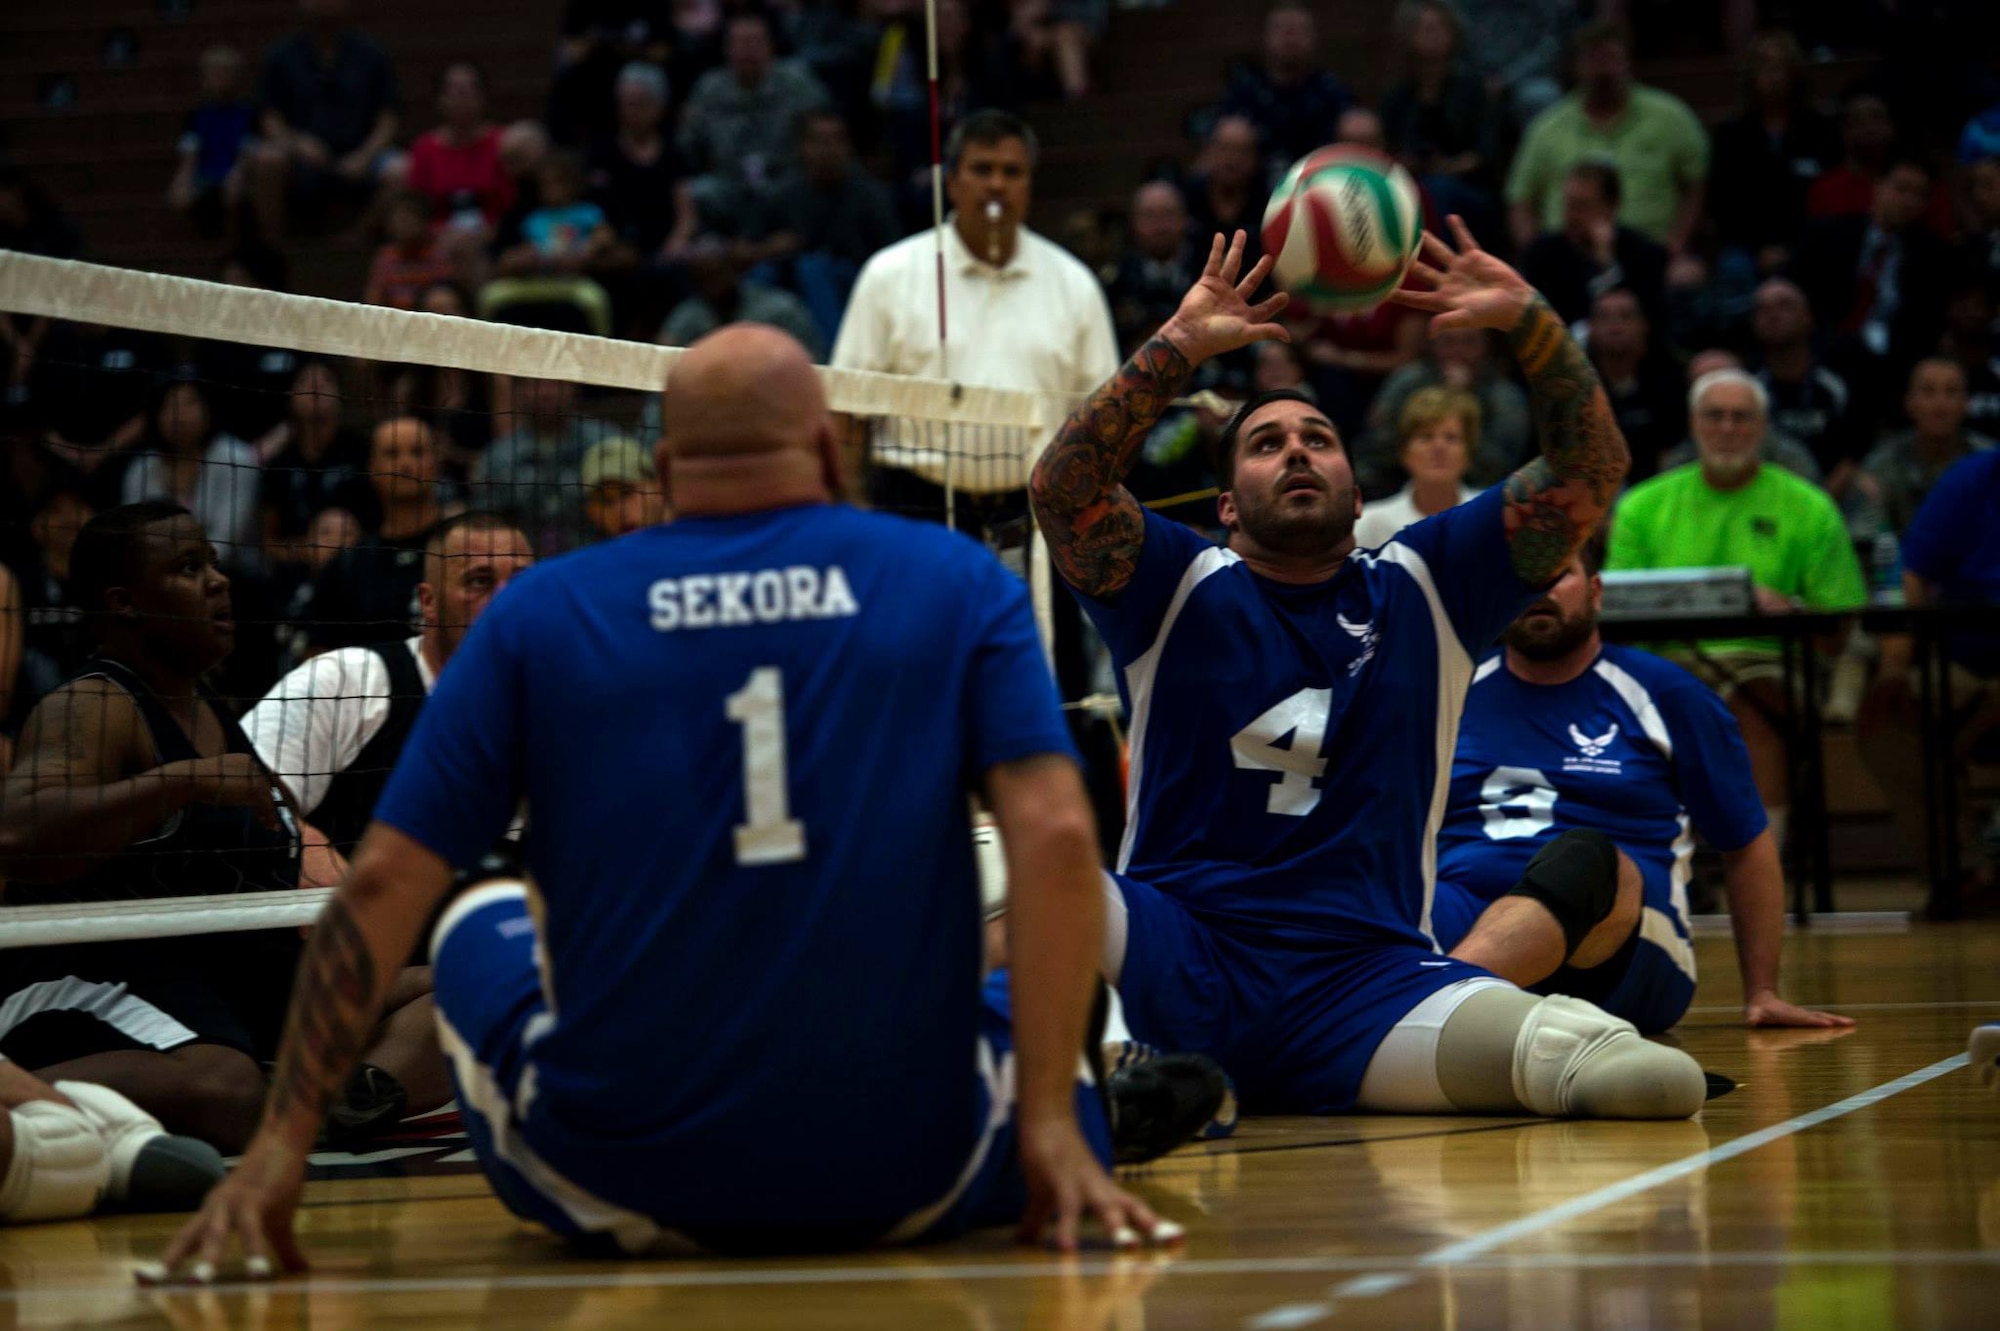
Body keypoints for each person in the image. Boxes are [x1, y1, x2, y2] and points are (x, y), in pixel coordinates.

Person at [147, 325, 1185, 1279]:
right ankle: (1083, 1095)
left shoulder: (540, 614)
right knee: (1017, 968)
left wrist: (275, 1150)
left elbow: (375, 884)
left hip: (623, 1186)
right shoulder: (950, 576)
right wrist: (1045, 1125)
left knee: (478, 921)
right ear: (829, 452)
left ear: (659, 475)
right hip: (919, 1173)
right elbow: (1055, 835)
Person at [1027, 223, 1707, 1122]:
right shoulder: (1173, 583)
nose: (1298, 450)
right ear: (1226, 502)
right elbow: (1061, 490)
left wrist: (1533, 324)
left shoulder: (1428, 582)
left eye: (1319, 438)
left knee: (1652, 1081)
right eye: (1267, 443)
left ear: (1356, 487)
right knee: (994, 860)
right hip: (1178, 946)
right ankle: (1108, 1061)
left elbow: (1590, 472)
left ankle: (1158, 1083)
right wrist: (1179, 346)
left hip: (1366, 984)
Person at [0, 505, 429, 1155]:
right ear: (126, 603)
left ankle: (329, 1102)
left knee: (466, 983)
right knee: (226, 1090)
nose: (219, 580)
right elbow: (18, 835)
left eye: (214, 562)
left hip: (227, 986)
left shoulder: (208, 709)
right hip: (89, 977)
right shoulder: (92, 703)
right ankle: (16, 1097)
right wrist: (179, 782)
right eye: (187, 567)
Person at [1432, 539, 1854, 1033]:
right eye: (1524, 581)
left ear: (1595, 592)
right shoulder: (1450, 694)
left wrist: (1761, 990)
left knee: (1586, 857)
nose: (1540, 593)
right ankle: (1429, 1005)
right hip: (1468, 912)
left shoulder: (1667, 694)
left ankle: (1436, 1008)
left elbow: (1746, 844)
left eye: (1559, 576)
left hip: (1617, 940)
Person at [241, 514, 536, 1139]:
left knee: (514, 974)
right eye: (479, 581)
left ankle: (344, 1102)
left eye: (521, 580)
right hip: (315, 971)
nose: (506, 601)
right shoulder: (351, 680)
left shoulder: (559, 721)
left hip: (434, 994)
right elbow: (236, 799)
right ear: (428, 602)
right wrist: (304, 843)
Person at [1607, 368, 1869, 844]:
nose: (1727, 429)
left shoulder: (1809, 506)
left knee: (1752, 701)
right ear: (1693, 425)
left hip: (1772, 662)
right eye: (1715, 416)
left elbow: (1837, 629)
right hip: (1663, 664)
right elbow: (1617, 615)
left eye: (1741, 418)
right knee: (1663, 704)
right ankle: (1668, 868)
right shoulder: (1641, 506)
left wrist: (1791, 609)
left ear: (1763, 428)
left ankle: (1759, 864)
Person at [833, 110, 1117, 518]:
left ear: (1028, 186)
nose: (997, 184)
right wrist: (853, 509)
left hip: (1039, 513)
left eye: (1012, 171)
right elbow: (846, 407)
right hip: (915, 506)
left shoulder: (1075, 284)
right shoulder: (889, 274)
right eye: (982, 169)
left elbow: (1103, 421)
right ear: (951, 182)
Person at [1859, 448, 2000, 914]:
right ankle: (1964, 873)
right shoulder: (1977, 477)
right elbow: (1912, 571)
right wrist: (1897, 663)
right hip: (1967, 661)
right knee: (1888, 721)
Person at [1506, 22, 1708, 254]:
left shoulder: (1671, 117)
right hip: (1569, 261)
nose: (1603, 69)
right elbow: (1520, 199)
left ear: (1627, 62)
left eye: (1610, 58)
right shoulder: (1547, 127)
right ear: (1575, 67)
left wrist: (1677, 245)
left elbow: (1697, 184)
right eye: (1593, 59)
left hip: (1651, 256)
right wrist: (1535, 258)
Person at [244, 0, 400, 238]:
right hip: (301, 157)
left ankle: (356, 239)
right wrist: (297, 144)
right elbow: (269, 117)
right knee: (267, 159)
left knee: (401, 170)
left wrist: (365, 155)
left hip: (359, 155)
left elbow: (388, 118)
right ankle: (274, 249)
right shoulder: (281, 55)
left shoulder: (371, 53)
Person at [1794, 153, 1954, 380]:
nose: (1908, 201)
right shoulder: (1828, 234)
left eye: (1919, 195)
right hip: (1825, 347)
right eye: (1901, 189)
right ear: (1878, 186)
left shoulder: (1932, 255)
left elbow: (1925, 324)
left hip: (1895, 361)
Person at [677, 12, 833, 230]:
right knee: (696, 192)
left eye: (755, 42)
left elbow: (826, 126)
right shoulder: (709, 89)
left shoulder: (797, 83)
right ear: (726, 48)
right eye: (739, 42)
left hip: (786, 181)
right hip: (729, 182)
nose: (747, 50)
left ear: (770, 47)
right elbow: (687, 146)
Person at [305, 417, 448, 653]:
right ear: (372, 468)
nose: (405, 464)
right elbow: (318, 656)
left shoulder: (465, 549)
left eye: (417, 452)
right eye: (392, 454)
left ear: (437, 464)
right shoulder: (346, 566)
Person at [1705, 30, 1838, 280]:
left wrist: (1793, 248)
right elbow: (1723, 205)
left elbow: (1829, 196)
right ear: (1751, 76)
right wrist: (1759, 248)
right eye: (1764, 67)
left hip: (1808, 242)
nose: (1773, 76)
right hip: (1747, 247)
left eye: (1780, 67)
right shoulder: (1732, 136)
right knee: (1734, 270)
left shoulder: (1821, 131)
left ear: (1795, 73)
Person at [1358, 327, 1532, 495]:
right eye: (1448, 342)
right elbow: (1376, 441)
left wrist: (1462, 398)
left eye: (1469, 342)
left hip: (1479, 486)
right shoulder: (1407, 380)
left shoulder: (1504, 395)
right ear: (1433, 345)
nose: (1458, 351)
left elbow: (1501, 462)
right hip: (1398, 479)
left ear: (1486, 347)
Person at [119, 378, 262, 573]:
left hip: (231, 574)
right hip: (157, 576)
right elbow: (131, 536)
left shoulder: (236, 458)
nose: (178, 415)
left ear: (208, 409)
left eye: (189, 403)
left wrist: (183, 571)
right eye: (169, 405)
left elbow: (226, 540)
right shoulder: (141, 468)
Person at [1854, 358, 1996, 539]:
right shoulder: (1883, 465)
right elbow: (1865, 538)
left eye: (1951, 392)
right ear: (1909, 403)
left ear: (1966, 404)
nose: (1940, 405)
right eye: (1928, 392)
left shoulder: (1991, 463)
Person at [1517, 162, 1668, 330]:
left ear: (1611, 207)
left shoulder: (1643, 254)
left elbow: (1640, 322)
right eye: (1568, 205)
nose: (1571, 216)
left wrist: (1606, 262)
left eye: (1581, 206)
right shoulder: (1542, 255)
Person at [1215, 3, 1353, 183]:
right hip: (1255, 192)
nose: (1290, 38)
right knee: (1231, 133)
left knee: (1357, 126)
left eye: (1298, 30)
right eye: (1281, 30)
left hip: (1323, 186)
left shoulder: (1331, 90)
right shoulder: (1245, 92)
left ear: (1314, 38)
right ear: (1265, 38)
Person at [1749, 276, 1863, 487]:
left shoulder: (1839, 383)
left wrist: (1817, 505)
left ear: (1807, 318)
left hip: (1830, 497)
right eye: (1762, 309)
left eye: (1784, 305)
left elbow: (1851, 458)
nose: (1772, 315)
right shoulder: (1747, 385)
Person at [1352, 386, 1481, 548]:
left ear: (1468, 453)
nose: (1439, 447)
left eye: (1451, 438)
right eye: (1426, 437)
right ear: (1404, 452)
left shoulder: (1492, 517)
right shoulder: (1371, 523)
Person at [659, 243, 825, 360]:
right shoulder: (689, 316)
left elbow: (813, 360)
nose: (714, 286)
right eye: (703, 279)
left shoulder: (781, 310)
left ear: (734, 272)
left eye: (718, 275)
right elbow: (665, 366)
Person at [404, 63, 514, 237]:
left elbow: (512, 203)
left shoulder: (504, 143)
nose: (461, 97)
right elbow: (417, 208)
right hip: (439, 241)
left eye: (469, 90)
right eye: (453, 90)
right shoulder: (423, 148)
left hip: (497, 238)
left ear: (483, 97)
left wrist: (494, 231)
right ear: (439, 99)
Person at [1587, 286, 1684, 480]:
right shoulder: (1576, 389)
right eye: (1604, 317)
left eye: (1625, 316)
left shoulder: (1672, 382)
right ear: (1590, 329)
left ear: (1644, 324)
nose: (1615, 325)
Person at [167, 46, 256, 239]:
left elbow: (247, 150)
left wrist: (238, 173)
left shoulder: (248, 113)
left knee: (236, 192)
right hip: (205, 174)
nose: (221, 79)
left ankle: (233, 238)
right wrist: (183, 179)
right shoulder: (196, 115)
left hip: (236, 173)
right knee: (181, 194)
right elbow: (190, 152)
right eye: (215, 73)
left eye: (226, 73)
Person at [1105, 182, 1200, 355]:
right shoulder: (1115, 282)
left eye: (1168, 215)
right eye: (1149, 216)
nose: (1160, 226)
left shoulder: (1206, 271)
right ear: (1133, 223)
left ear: (1185, 219)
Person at [363, 193, 454, 310]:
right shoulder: (386, 257)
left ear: (423, 222)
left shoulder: (438, 255)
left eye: (408, 220)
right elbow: (373, 300)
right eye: (399, 220)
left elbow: (446, 296)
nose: (403, 226)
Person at [579, 437, 669, 540]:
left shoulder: (687, 542)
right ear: (592, 512)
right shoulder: (591, 555)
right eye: (606, 501)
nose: (619, 511)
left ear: (659, 487)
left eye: (627, 493)